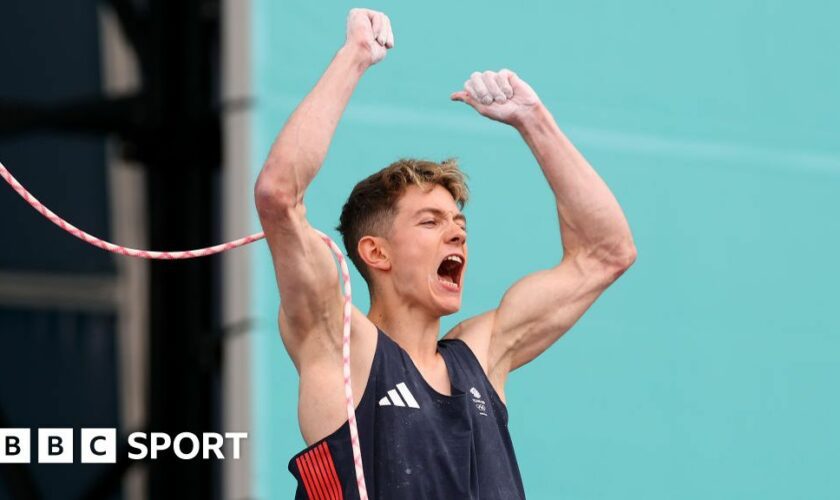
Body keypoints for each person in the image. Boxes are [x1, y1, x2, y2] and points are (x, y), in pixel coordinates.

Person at [254, 8, 636, 499]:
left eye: (459, 224)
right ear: (376, 252)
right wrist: (354, 59)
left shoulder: (482, 355)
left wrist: (533, 120)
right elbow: (278, 197)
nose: (456, 235)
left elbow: (607, 253)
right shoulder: (342, 346)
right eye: (430, 222)